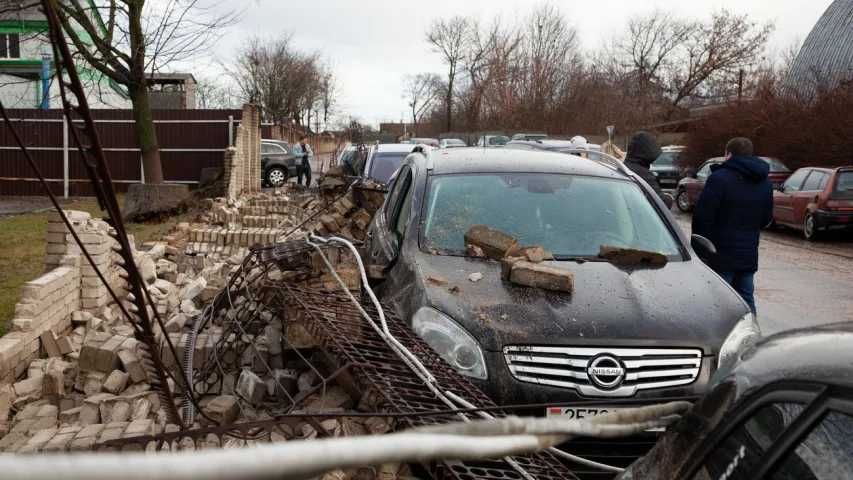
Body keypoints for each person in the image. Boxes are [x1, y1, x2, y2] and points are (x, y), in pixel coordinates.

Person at [691, 138, 773, 315]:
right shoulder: (765, 182)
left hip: (719, 251)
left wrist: (700, 243)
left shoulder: (719, 178)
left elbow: (703, 215)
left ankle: (718, 339)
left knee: (718, 300)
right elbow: (766, 219)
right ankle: (751, 338)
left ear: (728, 154)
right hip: (749, 252)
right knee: (746, 298)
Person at [623, 131, 673, 209]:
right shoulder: (643, 175)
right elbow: (662, 204)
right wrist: (669, 198)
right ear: (647, 153)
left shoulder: (623, 167)